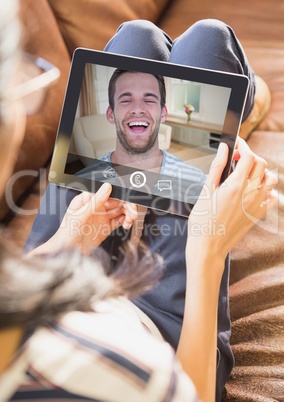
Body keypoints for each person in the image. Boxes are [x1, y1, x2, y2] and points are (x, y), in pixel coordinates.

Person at [21, 19, 277, 402]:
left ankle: (233, 105)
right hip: (166, 337)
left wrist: (65, 241)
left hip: (55, 286)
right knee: (210, 41)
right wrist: (207, 251)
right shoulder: (143, 376)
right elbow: (193, 392)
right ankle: (245, 101)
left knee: (137, 39)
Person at [75, 68, 206, 209]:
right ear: (111, 114)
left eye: (149, 100)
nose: (138, 109)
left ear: (163, 114)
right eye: (126, 100)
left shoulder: (196, 182)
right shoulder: (79, 185)